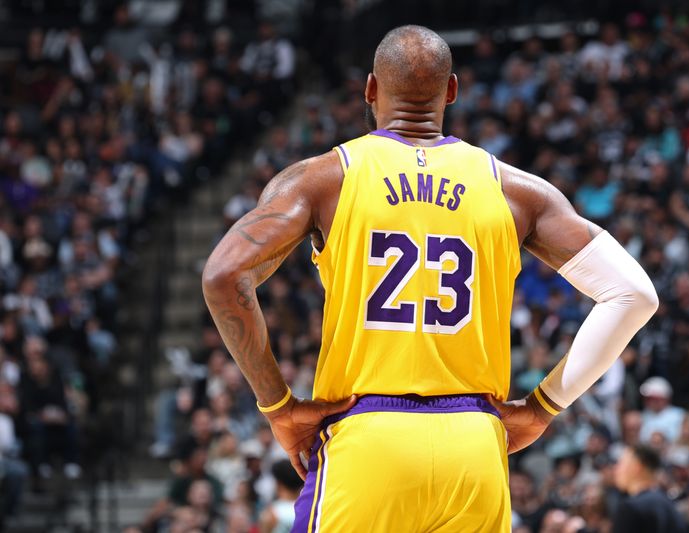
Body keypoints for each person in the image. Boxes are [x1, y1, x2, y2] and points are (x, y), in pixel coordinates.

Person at [202, 25, 658, 531]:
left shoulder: (323, 178)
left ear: (371, 89)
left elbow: (225, 275)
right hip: (475, 445)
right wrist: (542, 407)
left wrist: (279, 406)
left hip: (367, 437)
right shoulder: (517, 190)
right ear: (453, 91)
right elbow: (633, 295)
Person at [612, 444, 689, 533]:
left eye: (620, 463)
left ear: (637, 467)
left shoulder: (630, 509)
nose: (616, 469)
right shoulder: (671, 508)